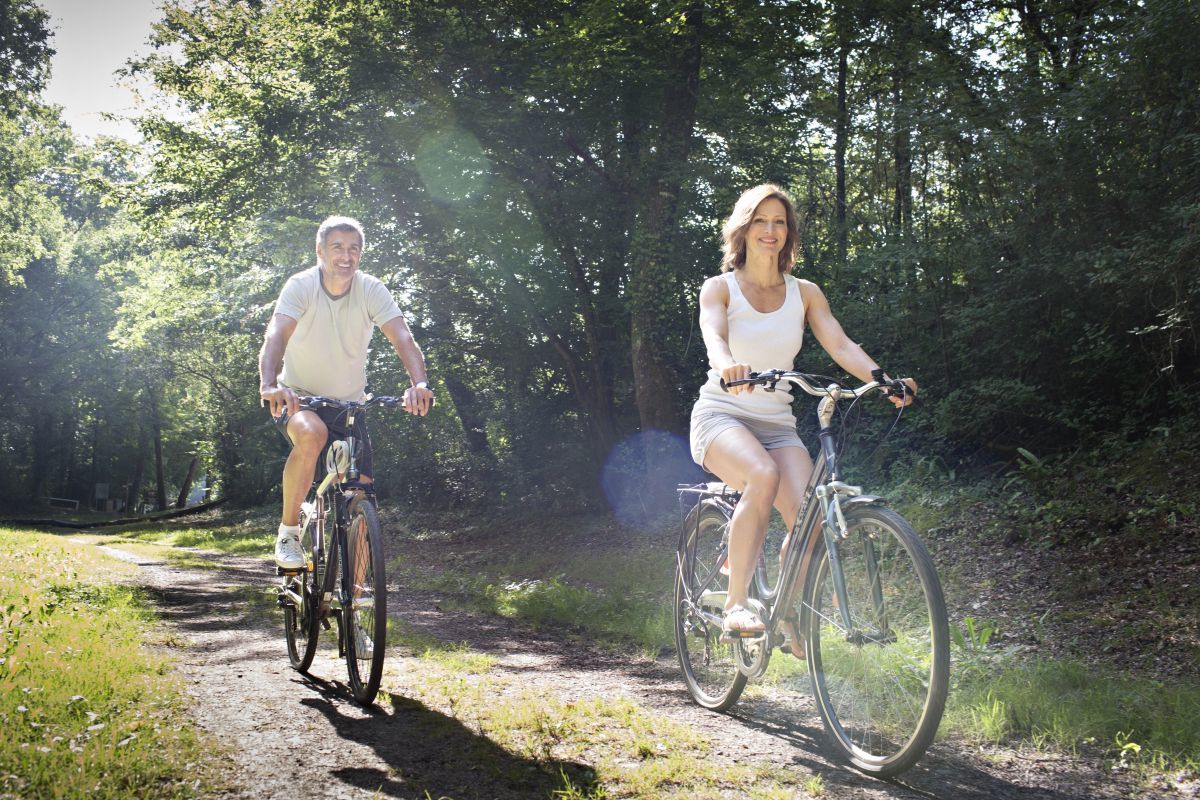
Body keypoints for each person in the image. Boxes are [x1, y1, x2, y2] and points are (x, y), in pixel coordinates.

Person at [689, 184, 916, 654]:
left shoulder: (804, 292)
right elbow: (713, 334)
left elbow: (840, 344)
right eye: (761, 221)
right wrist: (727, 363)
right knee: (762, 475)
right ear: (744, 229)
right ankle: (736, 604)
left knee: (809, 519)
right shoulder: (720, 288)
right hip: (721, 415)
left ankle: (786, 612)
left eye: (780, 222)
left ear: (788, 232)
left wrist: (883, 379)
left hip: (777, 424)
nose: (771, 231)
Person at [259, 216, 434, 569]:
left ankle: (358, 603)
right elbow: (275, 336)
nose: (346, 255)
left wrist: (419, 384)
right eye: (337, 247)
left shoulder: (371, 289)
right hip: (298, 398)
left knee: (361, 494)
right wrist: (270, 383)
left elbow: (403, 339)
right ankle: (289, 533)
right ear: (320, 250)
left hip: (349, 407)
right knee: (312, 435)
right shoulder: (301, 286)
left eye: (354, 248)